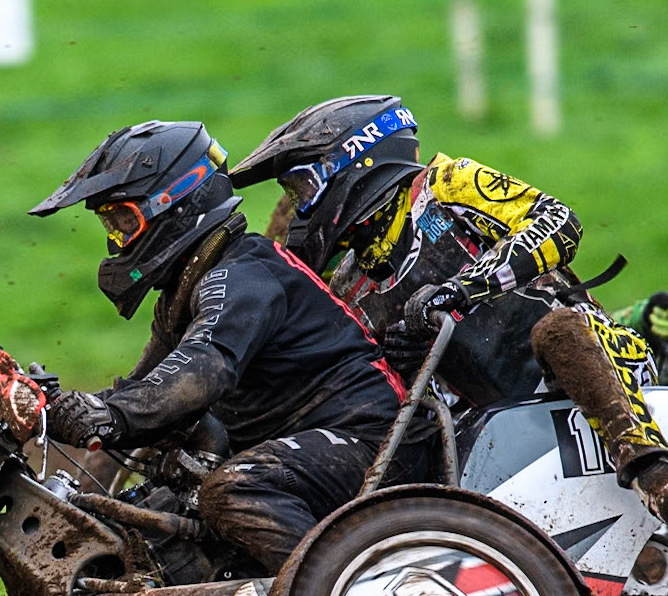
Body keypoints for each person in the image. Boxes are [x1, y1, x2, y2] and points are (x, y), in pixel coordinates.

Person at [232, 95, 668, 547]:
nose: (298, 209)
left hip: (595, 364)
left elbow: (557, 222)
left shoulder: (444, 186)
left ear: (355, 162)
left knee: (557, 332)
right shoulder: (349, 285)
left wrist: (461, 289)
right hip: (484, 423)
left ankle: (657, 476)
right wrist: (401, 358)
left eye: (303, 188)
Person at [28, 120, 407, 572]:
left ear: (177, 200)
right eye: (111, 226)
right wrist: (57, 405)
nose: (118, 240)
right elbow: (149, 386)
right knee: (135, 528)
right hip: (305, 450)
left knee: (233, 490)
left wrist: (109, 416)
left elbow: (205, 366)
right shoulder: (184, 292)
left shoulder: (243, 272)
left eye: (125, 221)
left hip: (372, 442)